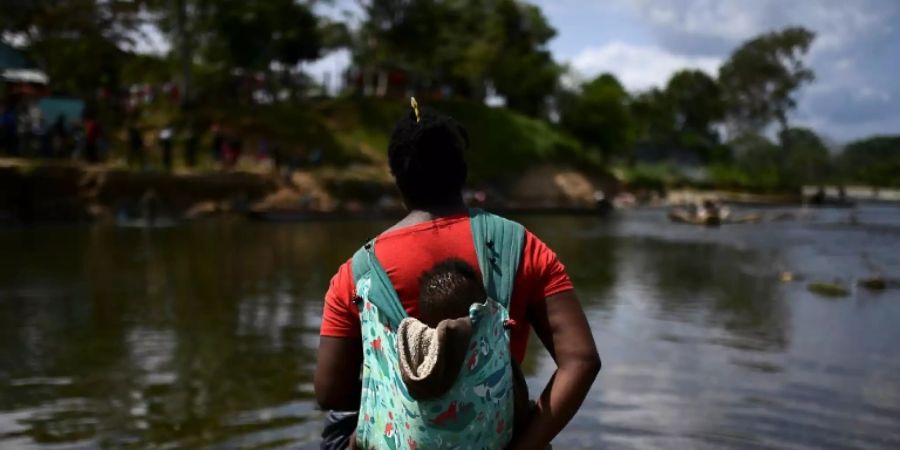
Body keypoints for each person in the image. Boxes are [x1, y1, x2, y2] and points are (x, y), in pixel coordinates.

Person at [315, 100, 600, 450]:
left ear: (399, 181)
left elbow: (330, 392)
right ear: (461, 173)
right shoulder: (521, 248)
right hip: (493, 438)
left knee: (338, 426)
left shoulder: (357, 272)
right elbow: (582, 360)